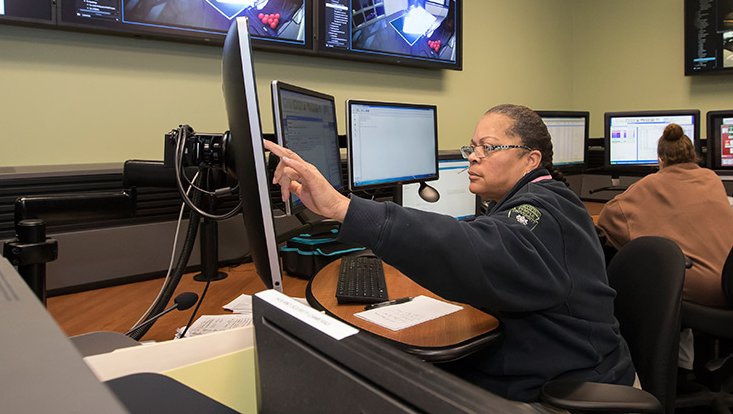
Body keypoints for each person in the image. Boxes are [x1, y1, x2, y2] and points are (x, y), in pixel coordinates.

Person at [265, 104, 636, 403]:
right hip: (541, 366)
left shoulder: (543, 211)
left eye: (488, 148)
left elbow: (482, 249)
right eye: (472, 147)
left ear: (531, 160)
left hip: (566, 388)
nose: (473, 157)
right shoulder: (533, 201)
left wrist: (346, 209)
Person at [596, 122, 733, 382]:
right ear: (693, 156)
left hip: (704, 289)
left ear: (660, 159)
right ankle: (683, 367)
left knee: (638, 274)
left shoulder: (651, 184)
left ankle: (652, 375)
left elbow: (610, 217)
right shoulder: (710, 178)